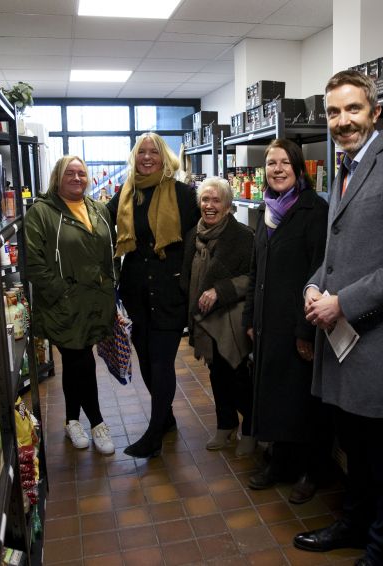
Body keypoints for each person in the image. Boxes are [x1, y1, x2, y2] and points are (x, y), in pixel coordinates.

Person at [294, 70, 383, 566]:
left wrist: (343, 302)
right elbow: (339, 252)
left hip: (380, 344)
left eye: (353, 109)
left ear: (376, 112)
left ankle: (382, 549)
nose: (342, 121)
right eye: (334, 112)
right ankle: (354, 524)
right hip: (342, 344)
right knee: (353, 447)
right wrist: (314, 285)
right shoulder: (344, 167)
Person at [242, 139, 332, 504]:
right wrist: (250, 316)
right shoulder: (266, 212)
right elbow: (254, 270)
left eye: (284, 163)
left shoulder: (314, 210)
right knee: (275, 395)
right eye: (271, 163)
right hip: (266, 323)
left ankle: (312, 471)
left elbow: (319, 273)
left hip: (298, 324)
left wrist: (305, 330)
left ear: (299, 168)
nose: (277, 169)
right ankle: (280, 462)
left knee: (304, 403)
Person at [107, 133, 199, 458]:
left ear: (164, 157)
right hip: (136, 293)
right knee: (145, 360)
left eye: (154, 152)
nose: (147, 157)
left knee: (161, 362)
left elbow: (200, 237)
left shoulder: (183, 193)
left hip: (170, 291)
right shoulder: (127, 193)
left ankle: (155, 432)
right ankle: (168, 417)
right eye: (142, 152)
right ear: (135, 156)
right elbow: (102, 223)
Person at [25, 155, 117, 455]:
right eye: (70, 173)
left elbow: (109, 253)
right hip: (62, 305)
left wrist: (110, 290)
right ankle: (98, 423)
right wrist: (61, 292)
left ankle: (71, 420)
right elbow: (33, 262)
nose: (77, 178)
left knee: (76, 364)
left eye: (81, 173)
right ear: (57, 177)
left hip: (95, 303)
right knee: (81, 361)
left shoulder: (98, 209)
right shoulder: (40, 212)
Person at [181, 177, 255, 457]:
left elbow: (253, 278)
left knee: (237, 376)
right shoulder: (194, 236)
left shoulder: (242, 236)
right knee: (216, 374)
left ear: (227, 206)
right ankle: (225, 425)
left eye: (216, 201)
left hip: (230, 322)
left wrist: (219, 290)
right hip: (204, 322)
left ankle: (249, 428)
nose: (209, 206)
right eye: (205, 200)